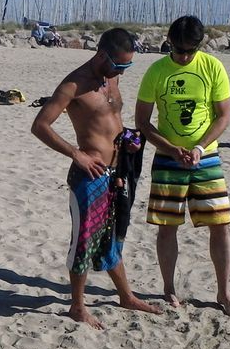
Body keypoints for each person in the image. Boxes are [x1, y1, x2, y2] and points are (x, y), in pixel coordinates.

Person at [31, 27, 161, 329]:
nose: (122, 73)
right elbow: (40, 125)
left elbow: (109, 122)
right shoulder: (74, 84)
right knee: (84, 242)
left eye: (128, 66)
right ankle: (77, 307)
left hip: (118, 173)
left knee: (113, 236)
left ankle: (126, 296)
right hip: (89, 176)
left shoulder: (111, 78)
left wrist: (127, 139)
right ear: (102, 55)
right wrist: (76, 153)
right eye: (119, 65)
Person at [135, 15, 230, 315]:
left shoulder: (212, 67)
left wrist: (198, 147)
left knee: (220, 225)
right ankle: (168, 288)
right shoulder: (156, 71)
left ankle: (223, 291)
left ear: (199, 46)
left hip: (205, 157)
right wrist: (171, 148)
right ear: (169, 42)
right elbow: (142, 122)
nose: (182, 56)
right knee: (167, 227)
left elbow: (222, 116)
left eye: (188, 51)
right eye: (177, 50)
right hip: (168, 158)